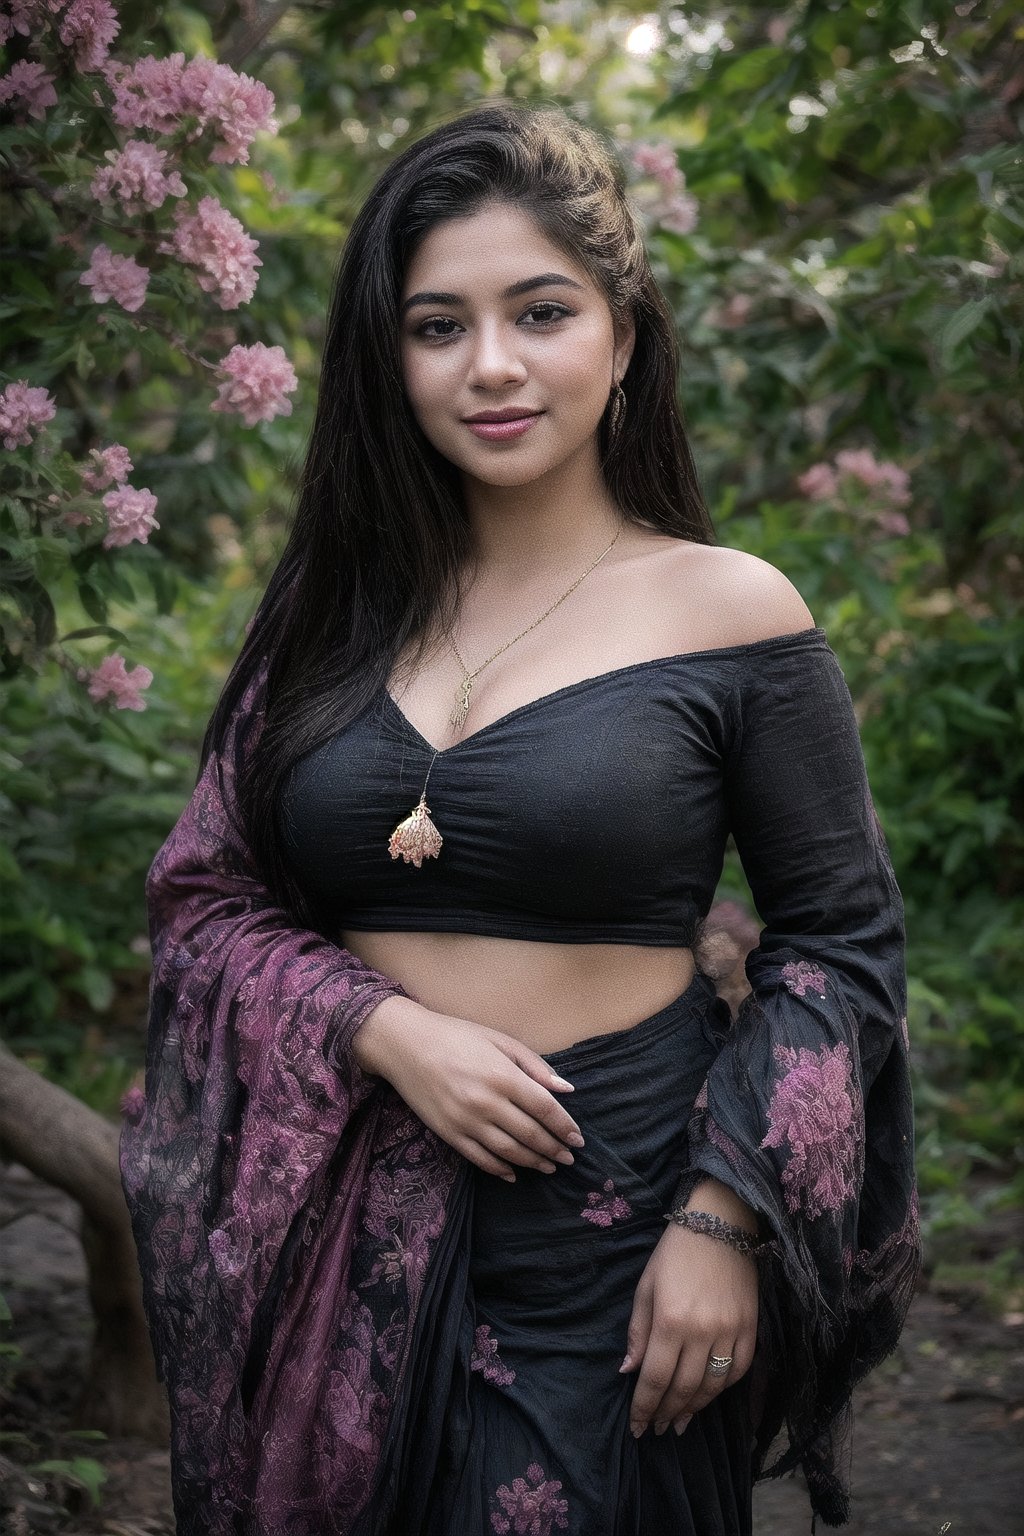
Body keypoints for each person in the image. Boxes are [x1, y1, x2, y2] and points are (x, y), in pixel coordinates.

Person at [120, 101, 920, 1536]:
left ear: (622, 333)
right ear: (390, 356)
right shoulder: (331, 616)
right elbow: (204, 899)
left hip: (619, 1242)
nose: (491, 365)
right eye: (438, 325)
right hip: (336, 1247)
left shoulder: (728, 610)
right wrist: (385, 1030)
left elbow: (839, 948)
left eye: (540, 311)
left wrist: (725, 1219)